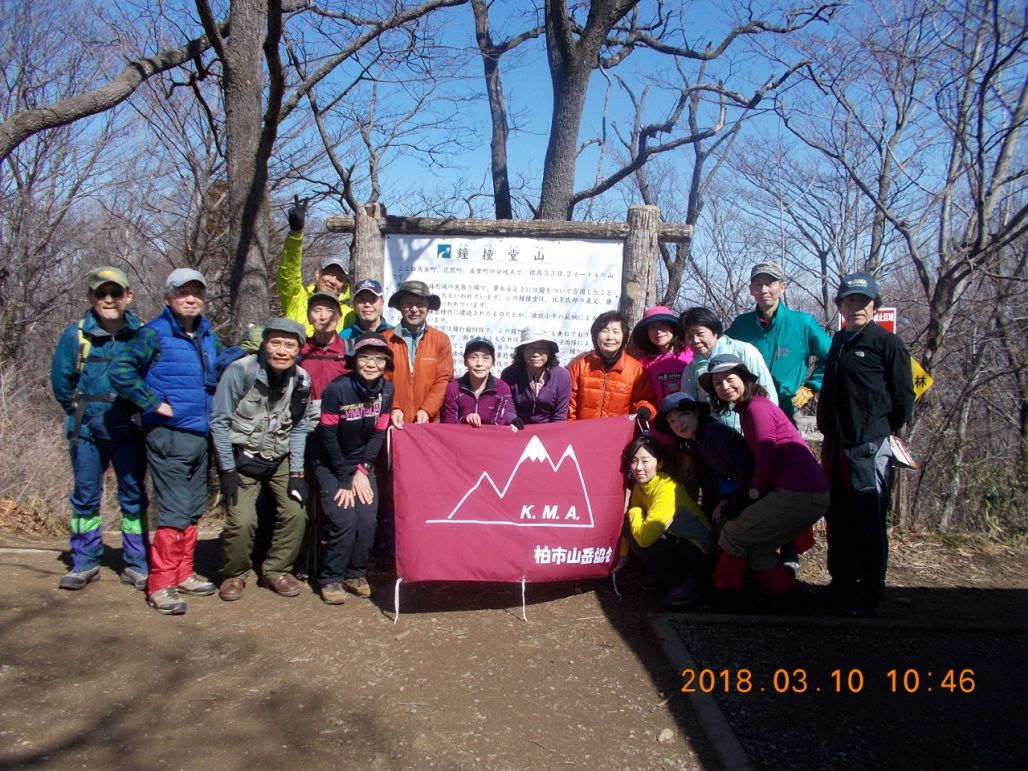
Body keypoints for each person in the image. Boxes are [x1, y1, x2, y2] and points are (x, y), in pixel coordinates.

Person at [110, 268, 222, 615]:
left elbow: (216, 371)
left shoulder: (206, 335)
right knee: (173, 509)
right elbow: (121, 371)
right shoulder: (152, 334)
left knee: (193, 506)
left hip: (200, 434)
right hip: (168, 434)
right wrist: (152, 403)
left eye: (197, 293)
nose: (191, 299)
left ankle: (183, 572)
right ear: (168, 298)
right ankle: (161, 583)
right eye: (183, 293)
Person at [817, 272, 915, 615]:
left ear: (874, 306)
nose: (855, 306)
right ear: (840, 306)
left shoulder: (887, 343)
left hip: (868, 443)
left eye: (862, 301)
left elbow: (904, 396)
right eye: (849, 301)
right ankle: (841, 582)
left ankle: (870, 590)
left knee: (867, 516)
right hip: (835, 442)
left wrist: (879, 430)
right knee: (838, 514)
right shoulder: (839, 340)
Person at [699, 354, 828, 611]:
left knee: (733, 535)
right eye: (717, 383)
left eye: (729, 379)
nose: (724, 387)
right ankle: (792, 600)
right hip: (807, 494)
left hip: (798, 493)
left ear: (746, 378)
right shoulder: (750, 409)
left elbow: (767, 455)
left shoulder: (757, 409)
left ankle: (724, 599)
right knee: (758, 550)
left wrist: (753, 494)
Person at [50, 267, 148, 591]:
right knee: (85, 497)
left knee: (133, 497)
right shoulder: (75, 335)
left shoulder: (142, 335)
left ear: (128, 296)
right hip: (87, 431)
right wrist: (81, 412)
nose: (108, 299)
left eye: (115, 293)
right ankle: (86, 561)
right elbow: (62, 383)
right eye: (101, 293)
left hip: (129, 430)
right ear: (91, 297)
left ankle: (136, 563)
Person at [211, 319, 317, 601]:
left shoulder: (303, 380)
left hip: (279, 456)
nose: (282, 351)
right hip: (242, 457)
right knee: (242, 521)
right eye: (276, 343)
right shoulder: (240, 371)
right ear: (264, 345)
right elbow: (220, 422)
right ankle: (235, 574)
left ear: (298, 350)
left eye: (290, 345)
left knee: (296, 512)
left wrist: (296, 474)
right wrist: (228, 469)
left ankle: (277, 570)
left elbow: (299, 426)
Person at [315, 333, 395, 604]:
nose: (371, 364)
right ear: (353, 360)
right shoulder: (336, 390)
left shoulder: (387, 390)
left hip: (362, 462)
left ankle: (356, 573)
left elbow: (378, 434)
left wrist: (362, 470)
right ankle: (330, 576)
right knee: (344, 520)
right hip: (330, 462)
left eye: (379, 358)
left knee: (367, 519)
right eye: (365, 357)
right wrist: (345, 476)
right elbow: (327, 437)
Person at [726, 261, 831, 422]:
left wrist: (811, 387)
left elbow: (832, 356)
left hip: (788, 409)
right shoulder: (741, 325)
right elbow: (718, 353)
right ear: (751, 289)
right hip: (749, 408)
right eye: (758, 284)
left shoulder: (802, 323)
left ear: (782, 287)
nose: (764, 290)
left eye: (769, 284)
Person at [620, 436, 715, 608]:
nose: (638, 468)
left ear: (660, 463)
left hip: (700, 552)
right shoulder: (641, 485)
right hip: (677, 540)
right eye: (633, 461)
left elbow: (645, 538)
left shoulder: (666, 489)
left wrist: (633, 510)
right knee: (633, 529)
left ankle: (685, 584)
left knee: (641, 537)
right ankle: (663, 575)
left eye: (645, 461)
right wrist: (622, 556)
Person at [654, 392, 754, 524]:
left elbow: (746, 471)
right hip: (733, 495)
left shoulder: (715, 433)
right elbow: (712, 481)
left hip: (753, 494)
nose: (678, 424)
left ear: (696, 412)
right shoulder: (696, 443)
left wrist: (730, 506)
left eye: (682, 414)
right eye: (672, 421)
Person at [678, 306, 777, 433]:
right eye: (689, 337)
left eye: (700, 334)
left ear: (714, 331)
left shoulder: (744, 351)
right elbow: (691, 410)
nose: (695, 340)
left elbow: (768, 394)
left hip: (754, 430)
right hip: (718, 438)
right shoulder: (691, 370)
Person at [275, 195, 355, 335]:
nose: (332, 280)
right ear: (318, 274)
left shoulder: (349, 316)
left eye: (340, 278)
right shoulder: (298, 300)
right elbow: (289, 273)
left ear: (345, 286)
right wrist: (295, 235)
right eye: (329, 273)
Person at [384, 280, 453, 427]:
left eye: (420, 303)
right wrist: (394, 407)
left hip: (428, 423)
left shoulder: (440, 340)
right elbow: (382, 378)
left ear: (428, 307)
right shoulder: (386, 339)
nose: (414, 309)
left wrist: (427, 410)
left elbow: (444, 379)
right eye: (408, 303)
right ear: (400, 307)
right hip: (394, 421)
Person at [566, 310, 657, 422]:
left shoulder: (636, 370)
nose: (610, 337)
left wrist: (644, 408)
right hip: (583, 434)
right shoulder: (579, 365)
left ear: (624, 336)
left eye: (615, 331)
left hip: (619, 435)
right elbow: (570, 404)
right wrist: (572, 431)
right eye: (604, 331)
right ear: (596, 336)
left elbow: (644, 399)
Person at [500, 327, 571, 424]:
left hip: (549, 430)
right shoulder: (509, 374)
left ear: (549, 352)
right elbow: (509, 407)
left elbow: (560, 415)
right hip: (518, 428)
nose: (536, 354)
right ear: (522, 351)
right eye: (530, 348)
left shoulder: (562, 376)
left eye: (542, 348)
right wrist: (514, 420)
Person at [442, 337, 518, 427]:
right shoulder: (453, 388)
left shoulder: (502, 388)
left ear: (493, 362)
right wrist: (466, 419)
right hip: (461, 438)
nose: (479, 363)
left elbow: (498, 426)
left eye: (486, 358)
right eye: (473, 357)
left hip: (490, 439)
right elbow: (449, 425)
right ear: (465, 361)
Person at [629, 306, 693, 408]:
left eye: (663, 324)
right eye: (652, 327)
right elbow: (642, 397)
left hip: (693, 418)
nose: (658, 331)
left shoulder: (691, 353)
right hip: (659, 420)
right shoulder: (643, 364)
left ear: (673, 328)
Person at [298, 291, 349, 400]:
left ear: (339, 317)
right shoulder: (300, 351)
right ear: (308, 318)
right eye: (317, 310)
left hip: (342, 414)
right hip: (308, 414)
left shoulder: (350, 350)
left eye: (330, 310)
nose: (324, 316)